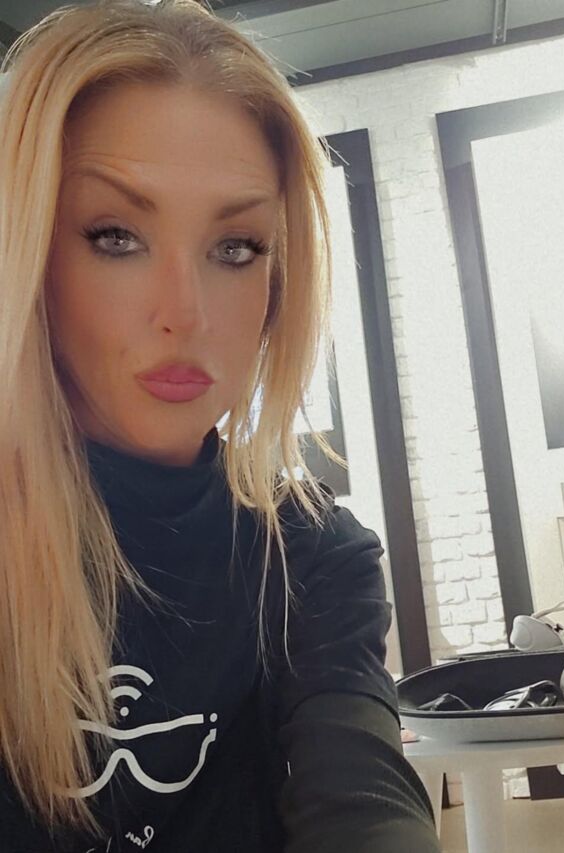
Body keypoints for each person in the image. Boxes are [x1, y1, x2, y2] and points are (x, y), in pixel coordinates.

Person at [0, 1, 441, 851]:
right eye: (116, 236)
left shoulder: (310, 555)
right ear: (25, 254)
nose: (187, 312)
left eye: (235, 247)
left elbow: (365, 799)